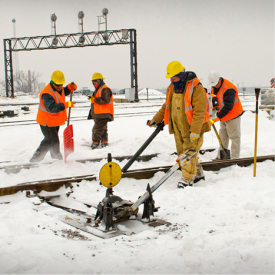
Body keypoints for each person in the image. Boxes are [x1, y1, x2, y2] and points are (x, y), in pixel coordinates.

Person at [148, 61, 211, 188]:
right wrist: (156, 119)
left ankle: (187, 179)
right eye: (170, 78)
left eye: (174, 77)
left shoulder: (195, 87)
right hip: (178, 128)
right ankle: (198, 173)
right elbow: (166, 107)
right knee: (184, 152)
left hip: (192, 128)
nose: (172, 80)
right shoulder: (171, 88)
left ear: (181, 75)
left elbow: (200, 111)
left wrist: (195, 130)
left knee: (187, 154)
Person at [29, 70, 77, 162]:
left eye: (61, 85)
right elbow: (51, 108)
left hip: (54, 121)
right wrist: (66, 105)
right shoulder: (47, 93)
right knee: (50, 141)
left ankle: (55, 159)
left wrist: (69, 87)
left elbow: (63, 92)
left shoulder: (59, 89)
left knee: (52, 140)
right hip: (47, 122)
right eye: (57, 85)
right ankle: (36, 159)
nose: (59, 87)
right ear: (52, 82)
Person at [207, 71, 244, 159]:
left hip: (233, 115)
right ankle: (221, 157)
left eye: (216, 84)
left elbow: (228, 106)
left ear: (219, 79)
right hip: (223, 116)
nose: (215, 86)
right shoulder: (214, 87)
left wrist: (217, 117)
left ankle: (235, 158)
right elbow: (216, 101)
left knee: (234, 137)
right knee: (223, 137)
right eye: (213, 85)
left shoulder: (228, 88)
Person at [87, 72, 114, 149]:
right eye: (93, 81)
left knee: (96, 129)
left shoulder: (104, 89)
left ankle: (95, 144)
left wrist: (93, 99)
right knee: (103, 129)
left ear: (100, 81)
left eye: (96, 81)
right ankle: (104, 142)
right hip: (100, 114)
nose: (94, 83)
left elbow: (105, 100)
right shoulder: (98, 89)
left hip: (103, 114)